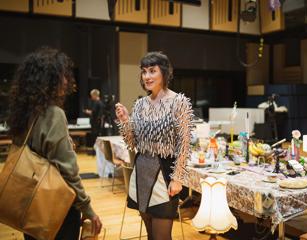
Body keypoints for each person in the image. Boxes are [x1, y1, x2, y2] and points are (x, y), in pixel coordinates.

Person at [7, 47, 102, 240]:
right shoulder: (52, 114)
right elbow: (68, 171)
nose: (66, 81)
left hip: (31, 204)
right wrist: (87, 208)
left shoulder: (24, 113)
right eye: (61, 76)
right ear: (48, 80)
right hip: (56, 205)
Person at [115, 52, 194, 240]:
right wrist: (126, 121)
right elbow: (133, 143)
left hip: (165, 174)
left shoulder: (179, 102)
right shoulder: (140, 104)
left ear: (164, 73)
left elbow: (184, 144)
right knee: (150, 233)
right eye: (144, 72)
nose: (147, 76)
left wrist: (178, 178)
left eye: (152, 71)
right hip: (141, 171)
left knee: (162, 236)